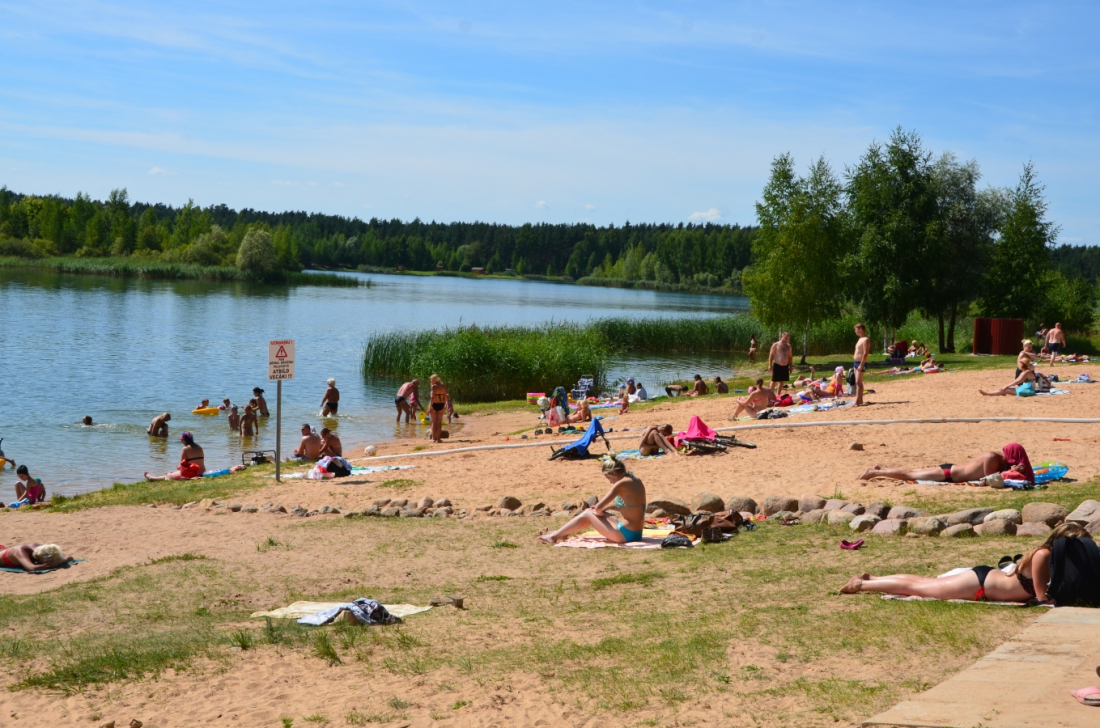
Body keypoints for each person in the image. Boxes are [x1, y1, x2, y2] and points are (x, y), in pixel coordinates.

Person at [838, 523, 1088, 602]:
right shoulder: (1043, 556)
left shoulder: (1047, 554)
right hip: (980, 584)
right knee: (920, 589)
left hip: (984, 579)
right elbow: (1043, 597)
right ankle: (860, 586)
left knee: (924, 583)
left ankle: (873, 579)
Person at [538, 457, 646, 544]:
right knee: (591, 514)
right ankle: (560, 533)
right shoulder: (636, 480)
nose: (610, 482)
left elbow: (598, 509)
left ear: (613, 473)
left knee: (588, 512)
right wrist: (608, 508)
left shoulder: (620, 484)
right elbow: (633, 507)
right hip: (637, 532)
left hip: (625, 535)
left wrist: (599, 510)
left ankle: (554, 536)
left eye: (609, 478)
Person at [858, 442, 1034, 484]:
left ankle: (883, 469)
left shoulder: (1000, 460)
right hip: (948, 473)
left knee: (912, 471)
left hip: (952, 470)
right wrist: (1009, 473)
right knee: (909, 475)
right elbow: (990, 480)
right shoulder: (992, 458)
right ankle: (874, 473)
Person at [0, 543, 72, 572]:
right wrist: (47, 565)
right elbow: (31, 568)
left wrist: (60, 560)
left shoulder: (38, 547)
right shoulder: (20, 551)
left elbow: (69, 557)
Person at [852, 323, 870, 406]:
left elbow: (865, 353)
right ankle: (860, 400)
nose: (855, 331)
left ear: (861, 329)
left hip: (861, 363)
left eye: (856, 329)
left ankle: (857, 401)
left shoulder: (866, 340)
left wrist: (861, 364)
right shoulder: (860, 339)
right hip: (856, 362)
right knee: (857, 382)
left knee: (858, 382)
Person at [428, 375, 448, 442]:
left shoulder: (434, 386)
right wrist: (445, 405)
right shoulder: (443, 386)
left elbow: (432, 398)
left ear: (435, 379)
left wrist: (430, 407)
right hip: (441, 404)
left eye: (431, 379)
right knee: (439, 422)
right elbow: (445, 396)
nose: (430, 381)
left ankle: (434, 439)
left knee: (434, 422)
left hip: (434, 404)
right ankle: (438, 439)